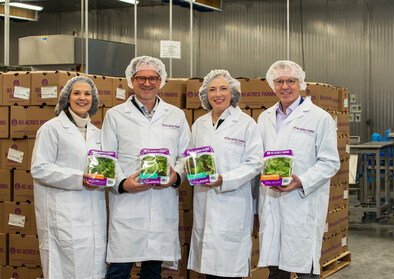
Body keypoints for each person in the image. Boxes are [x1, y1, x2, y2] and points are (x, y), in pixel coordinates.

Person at [102, 56, 191, 279]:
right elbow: (107, 158)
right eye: (141, 78)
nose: (147, 83)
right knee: (119, 269)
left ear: (161, 81)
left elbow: (185, 156)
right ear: (131, 80)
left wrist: (176, 177)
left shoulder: (176, 115)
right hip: (127, 203)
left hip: (161, 202)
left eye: (153, 78)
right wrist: (123, 184)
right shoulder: (114, 116)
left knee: (153, 270)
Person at [257, 60, 340, 278]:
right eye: (279, 81)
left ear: (301, 83)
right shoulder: (264, 118)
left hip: (302, 203)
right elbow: (258, 159)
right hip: (272, 201)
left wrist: (301, 181)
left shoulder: (319, 118)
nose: (285, 86)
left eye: (290, 81)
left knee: (305, 270)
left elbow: (330, 162)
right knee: (276, 270)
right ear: (272, 85)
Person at [187, 69, 263, 279]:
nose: (217, 94)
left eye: (223, 88)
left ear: (232, 93)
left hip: (233, 202)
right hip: (204, 200)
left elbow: (254, 163)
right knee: (209, 269)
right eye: (212, 89)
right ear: (205, 95)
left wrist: (225, 180)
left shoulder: (247, 124)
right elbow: (191, 157)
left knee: (229, 269)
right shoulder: (199, 125)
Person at [31, 76, 107, 279]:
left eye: (87, 94)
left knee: (93, 269)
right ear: (66, 98)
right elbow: (39, 168)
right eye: (77, 93)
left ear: (94, 100)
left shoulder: (98, 134)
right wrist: (79, 177)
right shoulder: (51, 129)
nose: (82, 98)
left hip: (94, 216)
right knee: (64, 270)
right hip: (64, 215)